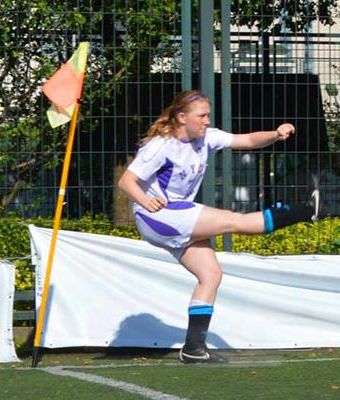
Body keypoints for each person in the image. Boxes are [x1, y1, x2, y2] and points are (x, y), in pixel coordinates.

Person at [117, 90, 320, 364]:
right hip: (160, 215)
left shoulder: (207, 137)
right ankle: (304, 210)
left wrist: (275, 134)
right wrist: (145, 200)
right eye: (201, 115)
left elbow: (247, 140)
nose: (206, 121)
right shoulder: (160, 145)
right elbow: (126, 181)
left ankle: (193, 348)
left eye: (207, 115)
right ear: (181, 117)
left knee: (210, 275)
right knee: (232, 220)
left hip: (175, 217)